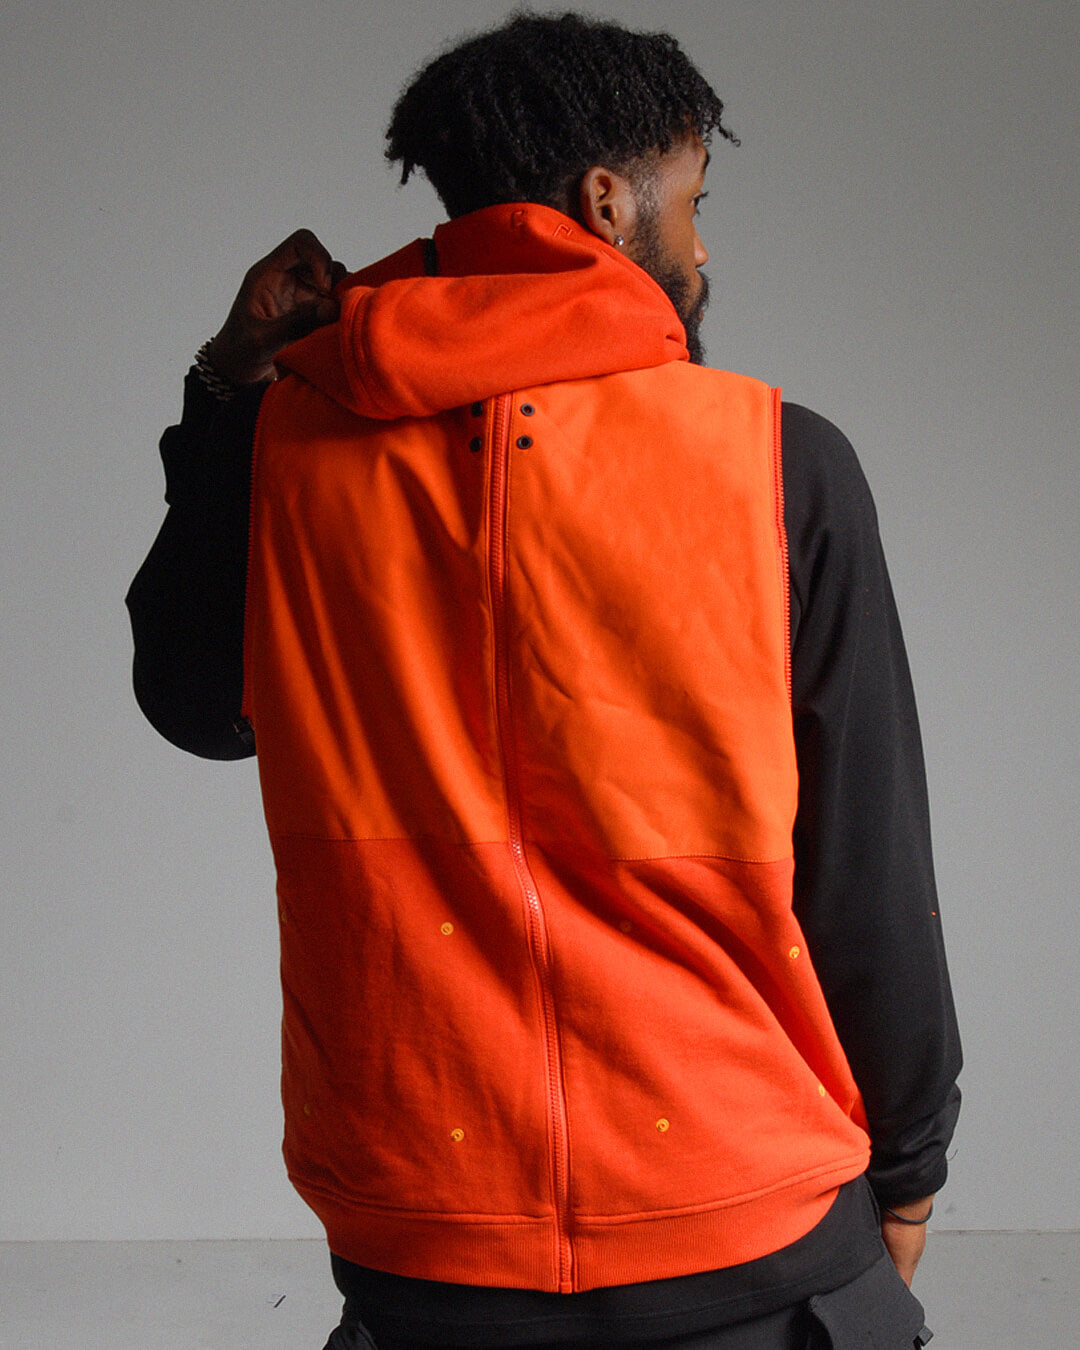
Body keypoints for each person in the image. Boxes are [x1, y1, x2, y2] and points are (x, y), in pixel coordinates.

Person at [127, 13, 960, 1349]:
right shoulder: (778, 462)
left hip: (423, 1228)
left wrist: (231, 388)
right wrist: (910, 1159)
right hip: (746, 1222)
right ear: (608, 201)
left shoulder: (290, 448)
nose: (703, 248)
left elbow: (198, 704)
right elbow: (867, 865)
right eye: (694, 202)